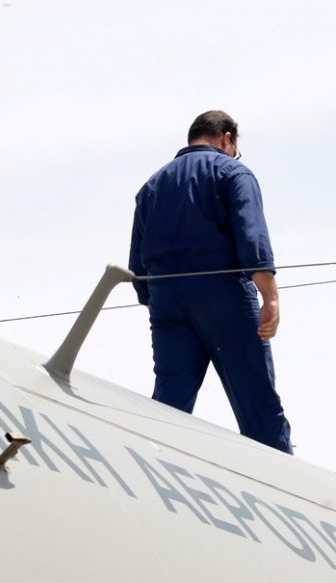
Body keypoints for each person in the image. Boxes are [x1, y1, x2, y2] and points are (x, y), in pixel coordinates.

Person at [129, 110, 293, 454]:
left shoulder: (152, 186)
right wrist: (270, 297)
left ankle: (153, 464)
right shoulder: (232, 172)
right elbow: (252, 239)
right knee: (257, 401)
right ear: (227, 138)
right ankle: (280, 477)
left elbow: (137, 264)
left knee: (169, 405)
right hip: (223, 296)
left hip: (166, 300)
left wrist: (158, 303)